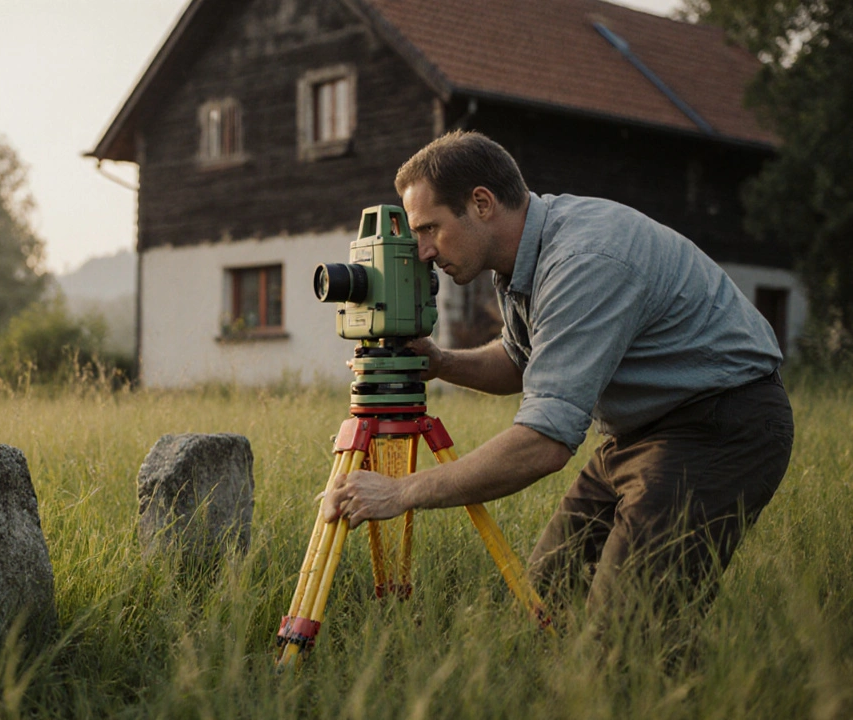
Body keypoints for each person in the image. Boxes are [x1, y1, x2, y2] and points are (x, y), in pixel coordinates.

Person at [323, 130, 794, 622]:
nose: (421, 251)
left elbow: (543, 444)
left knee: (630, 626)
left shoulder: (581, 262)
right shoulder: (523, 260)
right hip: (645, 433)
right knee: (549, 596)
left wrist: (400, 492)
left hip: (720, 427)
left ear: (481, 203)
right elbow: (522, 362)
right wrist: (440, 363)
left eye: (429, 229)